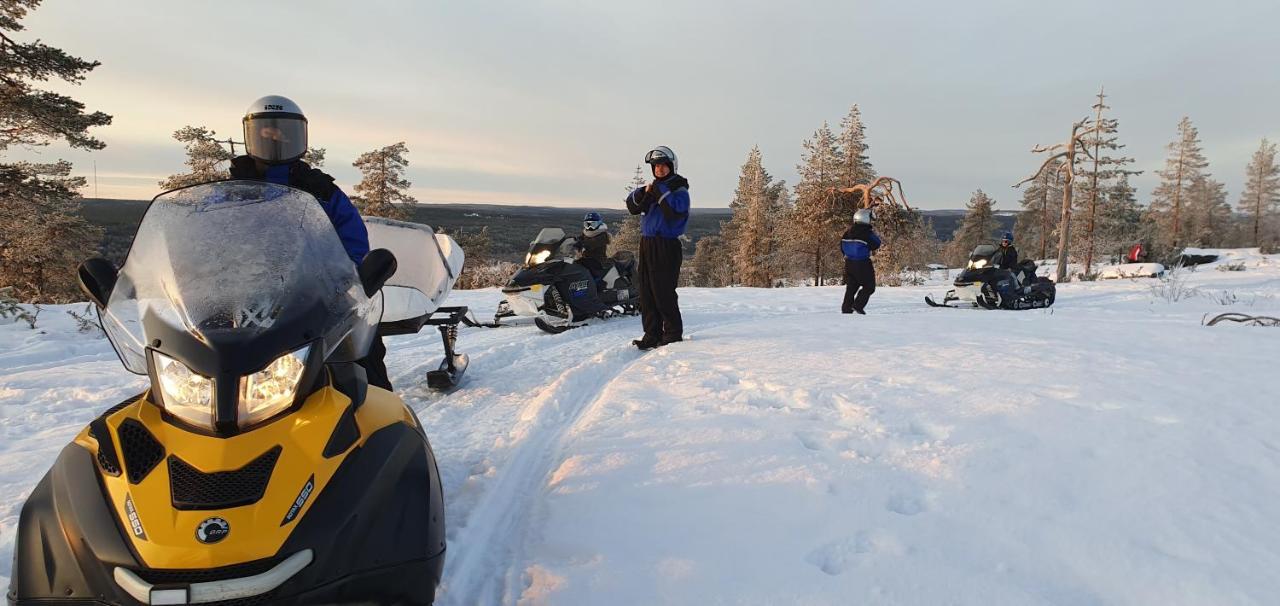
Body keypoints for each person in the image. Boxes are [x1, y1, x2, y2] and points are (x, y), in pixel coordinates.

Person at [228, 95, 391, 391]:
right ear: (251, 136)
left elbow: (353, 241)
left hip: (315, 296)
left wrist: (346, 279)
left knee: (363, 351)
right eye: (266, 132)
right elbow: (204, 237)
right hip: (244, 297)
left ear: (298, 137)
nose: (275, 138)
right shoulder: (232, 192)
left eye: (283, 132)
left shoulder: (322, 190)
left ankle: (375, 412)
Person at [624, 146, 689, 349]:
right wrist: (644, 191)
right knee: (647, 292)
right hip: (647, 243)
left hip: (666, 245)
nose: (659, 170)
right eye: (656, 166)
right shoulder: (653, 188)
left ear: (671, 166)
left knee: (663, 291)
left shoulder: (679, 189)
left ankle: (672, 334)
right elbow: (633, 206)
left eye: (663, 166)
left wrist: (661, 193)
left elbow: (674, 213)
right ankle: (651, 334)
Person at [840, 209, 881, 314]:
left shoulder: (847, 232)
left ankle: (846, 308)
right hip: (863, 263)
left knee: (851, 286)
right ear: (866, 219)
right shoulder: (866, 233)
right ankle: (858, 306)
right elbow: (876, 244)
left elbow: (842, 247)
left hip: (849, 263)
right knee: (869, 287)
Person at [573, 211, 611, 286]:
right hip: (587, 258)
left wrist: (582, 244)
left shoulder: (602, 235)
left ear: (599, 224)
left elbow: (592, 243)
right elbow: (579, 239)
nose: (590, 227)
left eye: (593, 224)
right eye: (587, 224)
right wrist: (572, 240)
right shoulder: (586, 233)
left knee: (582, 262)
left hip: (598, 260)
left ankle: (597, 281)